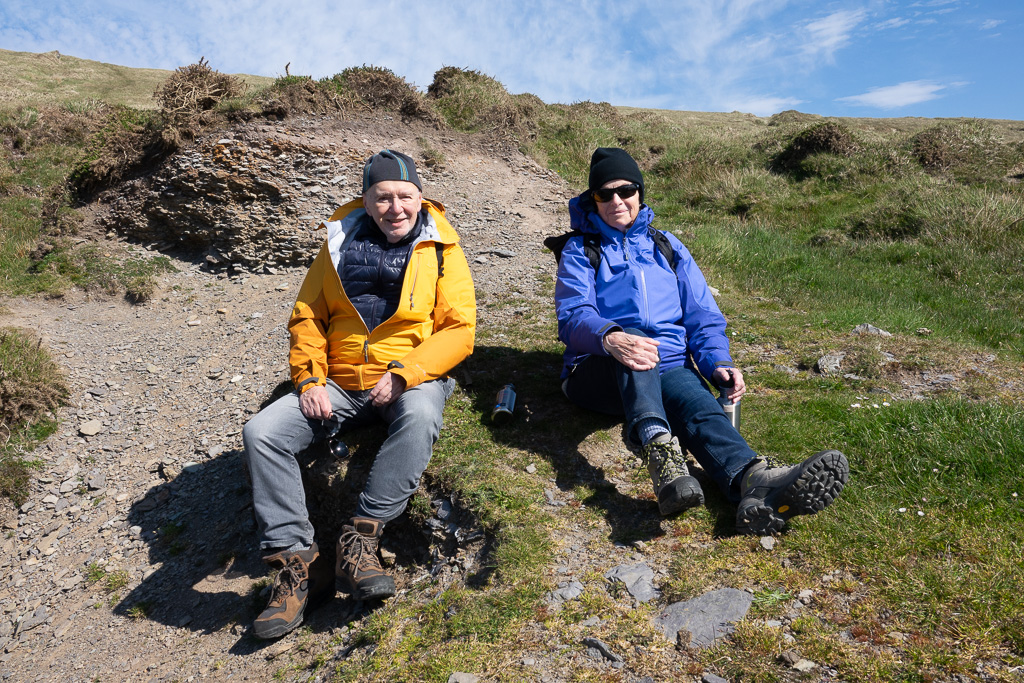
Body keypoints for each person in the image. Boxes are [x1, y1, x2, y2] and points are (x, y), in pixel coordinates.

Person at [242, 150, 476, 639]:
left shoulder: (443, 250)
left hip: (408, 376)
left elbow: (459, 331)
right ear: (365, 201)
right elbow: (307, 316)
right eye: (383, 197)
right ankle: (297, 565)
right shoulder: (334, 246)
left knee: (421, 416)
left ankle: (360, 540)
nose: (396, 207)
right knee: (262, 432)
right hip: (338, 382)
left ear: (421, 197)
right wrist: (308, 379)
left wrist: (407, 372)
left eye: (405, 196)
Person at [554, 147, 847, 534]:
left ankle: (753, 483)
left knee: (700, 409)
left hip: (668, 365)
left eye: (624, 190)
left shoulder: (667, 246)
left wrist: (717, 363)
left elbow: (702, 316)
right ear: (592, 200)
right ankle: (661, 455)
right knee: (638, 341)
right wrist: (610, 337)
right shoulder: (580, 249)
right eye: (603, 194)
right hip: (596, 371)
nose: (616, 201)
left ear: (640, 192)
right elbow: (573, 314)